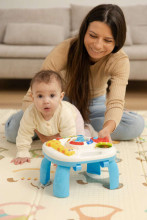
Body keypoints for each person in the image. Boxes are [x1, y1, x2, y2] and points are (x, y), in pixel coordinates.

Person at [5, 4, 144, 145]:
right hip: (60, 101)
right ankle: (73, 125)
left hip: (95, 105)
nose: (97, 45)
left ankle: (78, 125)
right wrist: (44, 136)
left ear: (117, 41)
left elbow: (116, 101)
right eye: (92, 36)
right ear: (84, 31)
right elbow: (33, 94)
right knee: (12, 132)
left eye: (107, 40)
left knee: (135, 126)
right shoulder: (65, 49)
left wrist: (107, 129)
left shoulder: (120, 60)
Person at [11, 70, 95, 165]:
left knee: (80, 140)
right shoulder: (30, 113)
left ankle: (87, 129)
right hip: (55, 128)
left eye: (52, 95)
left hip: (74, 118)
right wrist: (22, 153)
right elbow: (24, 133)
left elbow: (69, 137)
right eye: (40, 96)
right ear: (32, 98)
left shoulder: (65, 113)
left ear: (61, 97)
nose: (46, 101)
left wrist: (63, 154)